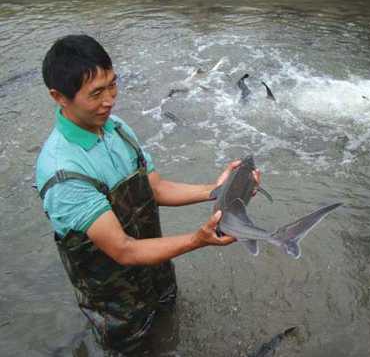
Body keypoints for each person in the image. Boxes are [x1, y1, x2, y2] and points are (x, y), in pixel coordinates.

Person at [36, 34, 260, 354]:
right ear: (59, 97)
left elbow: (155, 187)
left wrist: (218, 190)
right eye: (96, 93)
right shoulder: (63, 173)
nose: (109, 100)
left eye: (112, 84)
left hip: (157, 269)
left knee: (171, 328)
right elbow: (124, 249)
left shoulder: (117, 129)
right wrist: (197, 240)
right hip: (115, 303)